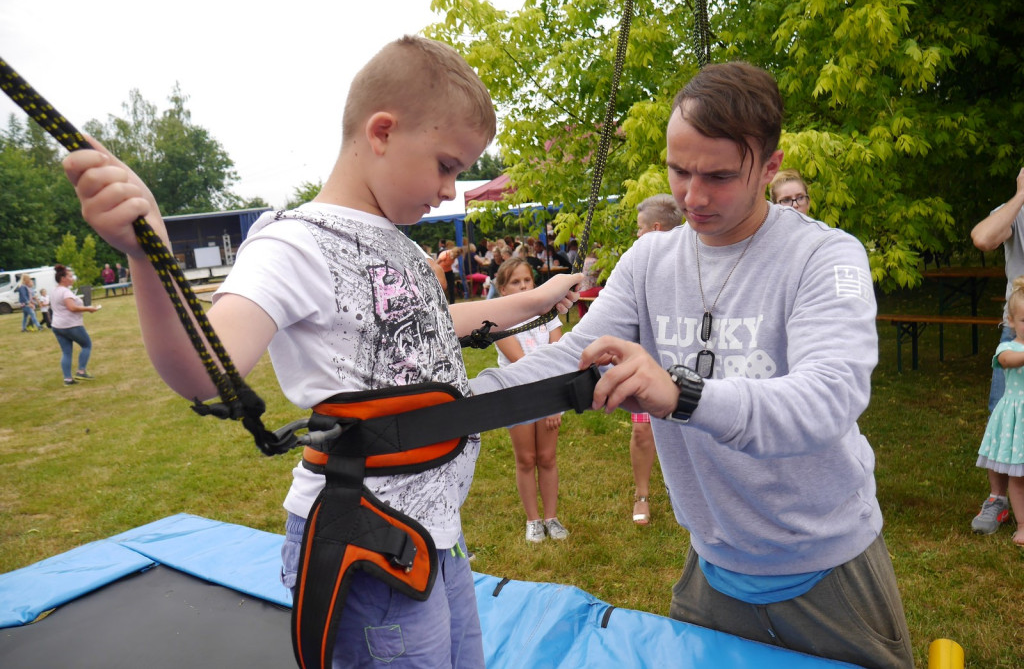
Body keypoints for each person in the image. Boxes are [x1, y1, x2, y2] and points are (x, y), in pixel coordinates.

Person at [63, 35, 580, 668]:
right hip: (368, 539)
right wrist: (149, 258)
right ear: (383, 132)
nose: (451, 191)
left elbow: (437, 322)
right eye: (446, 165)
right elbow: (206, 370)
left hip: (435, 534)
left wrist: (538, 298)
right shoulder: (293, 244)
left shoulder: (401, 243)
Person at [472, 61, 913, 669]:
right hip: (711, 567)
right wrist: (451, 405)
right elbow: (571, 357)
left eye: (720, 176)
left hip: (828, 570)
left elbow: (828, 398)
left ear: (771, 165)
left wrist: (681, 393)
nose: (692, 197)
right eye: (679, 171)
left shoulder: (823, 255)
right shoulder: (651, 259)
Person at [494, 257, 569, 542]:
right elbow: (524, 364)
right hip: (519, 395)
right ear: (503, 290)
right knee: (526, 459)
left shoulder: (548, 314)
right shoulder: (499, 322)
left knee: (547, 457)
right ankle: (533, 520)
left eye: (527, 279)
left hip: (549, 392)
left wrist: (552, 402)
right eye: (515, 282)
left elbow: (559, 354)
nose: (524, 285)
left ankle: (551, 516)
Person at [968, 166, 1024, 535]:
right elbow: (984, 239)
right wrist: (1021, 197)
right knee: (1004, 412)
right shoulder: (1015, 213)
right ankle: (998, 499)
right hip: (1018, 329)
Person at [629, 194, 683, 526]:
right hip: (648, 366)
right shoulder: (636, 265)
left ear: (656, 228)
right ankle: (642, 495)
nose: (636, 236)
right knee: (642, 435)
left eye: (639, 229)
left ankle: (685, 491)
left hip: (686, 369)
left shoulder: (695, 262)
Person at [975, 275, 1024, 546]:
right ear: (1011, 322)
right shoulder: (1008, 347)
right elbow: (1006, 361)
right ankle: (1022, 525)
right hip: (1017, 421)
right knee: (1018, 475)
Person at [50, 264, 100, 385]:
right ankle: (81, 372)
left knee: (66, 352)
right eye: (70, 276)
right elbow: (72, 308)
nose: (72, 278)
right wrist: (88, 309)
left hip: (57, 326)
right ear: (63, 278)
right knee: (86, 345)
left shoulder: (54, 290)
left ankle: (67, 379)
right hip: (71, 325)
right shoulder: (65, 292)